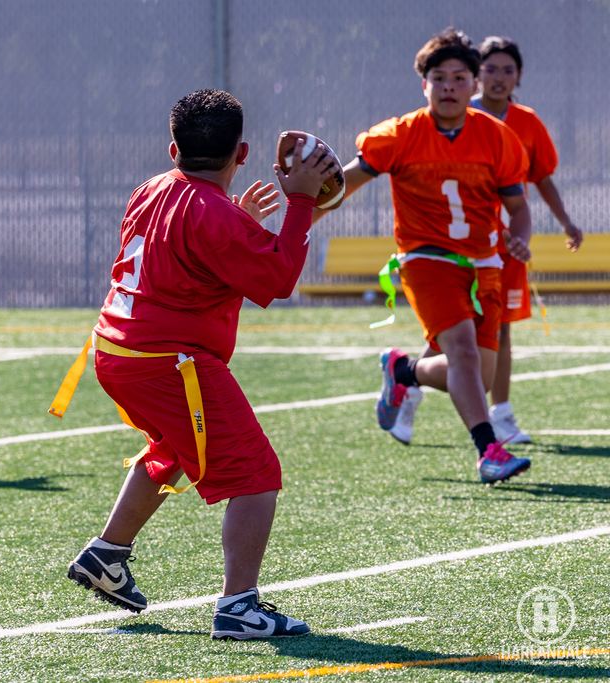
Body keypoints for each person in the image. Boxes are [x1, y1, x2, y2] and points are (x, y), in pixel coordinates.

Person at [53, 90, 333, 639]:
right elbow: (275, 280)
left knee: (178, 448)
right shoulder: (213, 214)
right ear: (243, 153)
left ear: (173, 147)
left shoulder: (150, 188)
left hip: (117, 352)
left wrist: (238, 220)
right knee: (255, 476)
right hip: (167, 359)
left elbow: (188, 250)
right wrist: (301, 202)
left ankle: (106, 556)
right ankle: (238, 608)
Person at [315, 29, 532, 484]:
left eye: (458, 77)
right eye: (439, 78)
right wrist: (301, 217)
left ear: (474, 84)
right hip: (426, 259)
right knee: (465, 356)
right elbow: (344, 184)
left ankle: (403, 369)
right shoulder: (400, 135)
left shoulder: (497, 137)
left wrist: (520, 237)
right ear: (424, 85)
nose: (449, 86)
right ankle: (489, 450)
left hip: (484, 263)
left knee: (480, 376)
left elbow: (518, 207)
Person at [393, 36, 584, 445]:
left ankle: (498, 412)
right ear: (479, 77)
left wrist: (564, 221)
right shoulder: (448, 117)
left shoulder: (525, 123)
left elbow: (539, 179)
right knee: (453, 339)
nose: (499, 78)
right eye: (491, 69)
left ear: (519, 76)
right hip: (448, 249)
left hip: (504, 248)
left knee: (498, 332)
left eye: (508, 70)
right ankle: (412, 386)